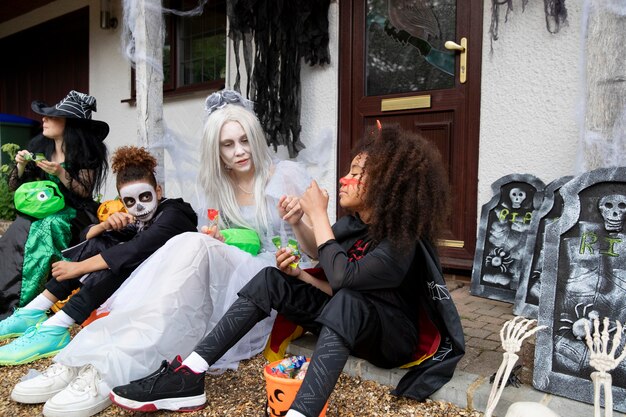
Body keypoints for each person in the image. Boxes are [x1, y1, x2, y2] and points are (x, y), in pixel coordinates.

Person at [108, 125, 466, 416]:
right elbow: (321, 257)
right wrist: (299, 246)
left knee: (349, 303)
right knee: (270, 279)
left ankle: (302, 412)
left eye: (355, 173)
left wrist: (319, 216)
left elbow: (345, 280)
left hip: (392, 340)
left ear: (387, 185)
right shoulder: (356, 226)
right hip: (353, 318)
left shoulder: (399, 242)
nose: (344, 178)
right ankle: (189, 375)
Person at [9, 90, 313, 417]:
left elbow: (315, 250)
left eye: (244, 140)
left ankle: (114, 369)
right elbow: (237, 239)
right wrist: (218, 236)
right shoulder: (218, 186)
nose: (239, 151)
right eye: (228, 144)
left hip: (278, 280)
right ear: (217, 151)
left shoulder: (286, 175)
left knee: (189, 244)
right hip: (237, 273)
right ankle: (90, 356)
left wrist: (296, 223)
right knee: (184, 254)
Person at [0, 145, 197, 367]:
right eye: (130, 201)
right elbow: (89, 238)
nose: (139, 205)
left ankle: (55, 328)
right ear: (122, 201)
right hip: (152, 283)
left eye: (145, 196)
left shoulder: (175, 215)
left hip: (180, 291)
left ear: (158, 192)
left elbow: (136, 249)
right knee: (103, 239)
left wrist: (79, 267)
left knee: (120, 264)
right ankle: (34, 310)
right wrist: (104, 225)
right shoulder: (143, 218)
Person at [0, 91, 109, 320]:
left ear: (68, 123)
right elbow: (15, 186)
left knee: (48, 226)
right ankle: (8, 297)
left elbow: (84, 191)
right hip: (44, 208)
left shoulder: (86, 152)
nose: (44, 120)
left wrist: (60, 172)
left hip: (75, 213)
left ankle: (28, 303)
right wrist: (20, 166)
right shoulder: (41, 145)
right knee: (19, 227)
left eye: (51, 116)